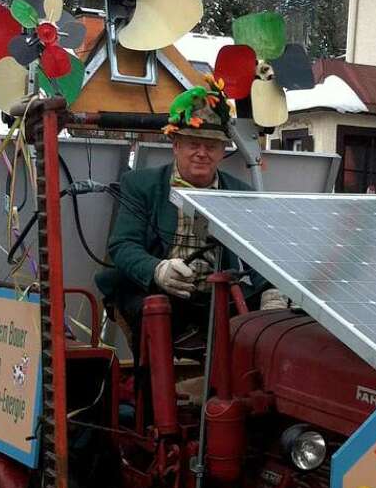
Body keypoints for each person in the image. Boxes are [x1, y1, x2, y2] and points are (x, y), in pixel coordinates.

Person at [97, 78, 281, 356]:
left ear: (222, 152)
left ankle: (232, 393)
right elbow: (123, 246)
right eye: (193, 143)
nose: (201, 153)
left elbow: (259, 252)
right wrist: (158, 270)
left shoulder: (240, 193)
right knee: (153, 313)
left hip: (217, 297)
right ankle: (152, 396)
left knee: (273, 327)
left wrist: (271, 291)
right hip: (159, 292)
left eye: (211, 146)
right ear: (176, 145)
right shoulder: (141, 185)